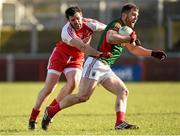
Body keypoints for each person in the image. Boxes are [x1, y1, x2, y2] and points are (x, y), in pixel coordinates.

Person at [41, 3, 167, 130]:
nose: (135, 17)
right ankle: (51, 111)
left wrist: (152, 53)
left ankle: (120, 123)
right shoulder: (117, 24)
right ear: (124, 15)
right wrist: (127, 38)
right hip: (96, 63)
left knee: (123, 91)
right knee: (83, 96)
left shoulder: (127, 30)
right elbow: (111, 37)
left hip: (105, 67)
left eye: (137, 15)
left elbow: (134, 49)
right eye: (133, 14)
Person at [28, 6, 108, 130]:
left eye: (77, 18)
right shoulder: (67, 31)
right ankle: (33, 118)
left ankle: (50, 111)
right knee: (49, 88)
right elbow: (83, 47)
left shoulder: (91, 24)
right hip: (60, 55)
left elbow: (108, 29)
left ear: (82, 16)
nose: (76, 22)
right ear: (68, 21)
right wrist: (100, 54)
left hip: (76, 58)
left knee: (73, 84)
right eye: (72, 20)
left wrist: (124, 33)